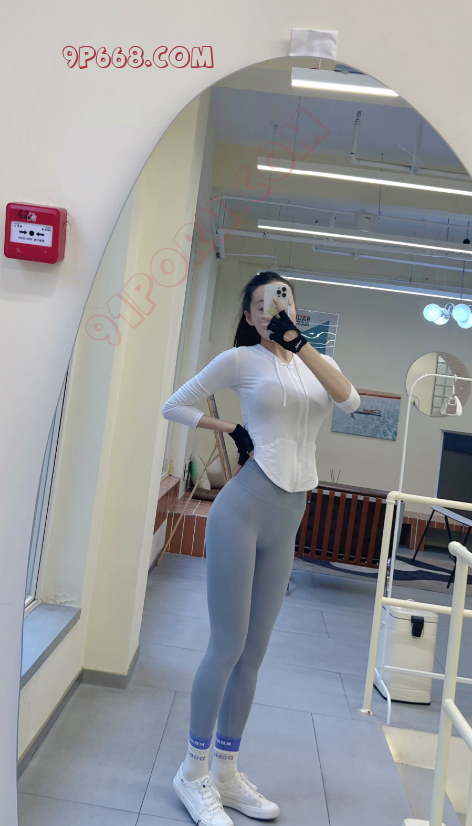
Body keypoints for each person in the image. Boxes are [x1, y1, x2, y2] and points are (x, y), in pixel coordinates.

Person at [161, 271, 360, 826]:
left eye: (282, 297)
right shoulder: (241, 360)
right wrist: (231, 427)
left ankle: (226, 771)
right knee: (226, 646)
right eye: (261, 302)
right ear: (249, 316)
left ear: (294, 305)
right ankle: (193, 772)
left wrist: (301, 345)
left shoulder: (317, 363)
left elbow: (350, 400)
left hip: (289, 515)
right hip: (242, 510)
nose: (274, 305)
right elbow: (174, 405)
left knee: (254, 652)